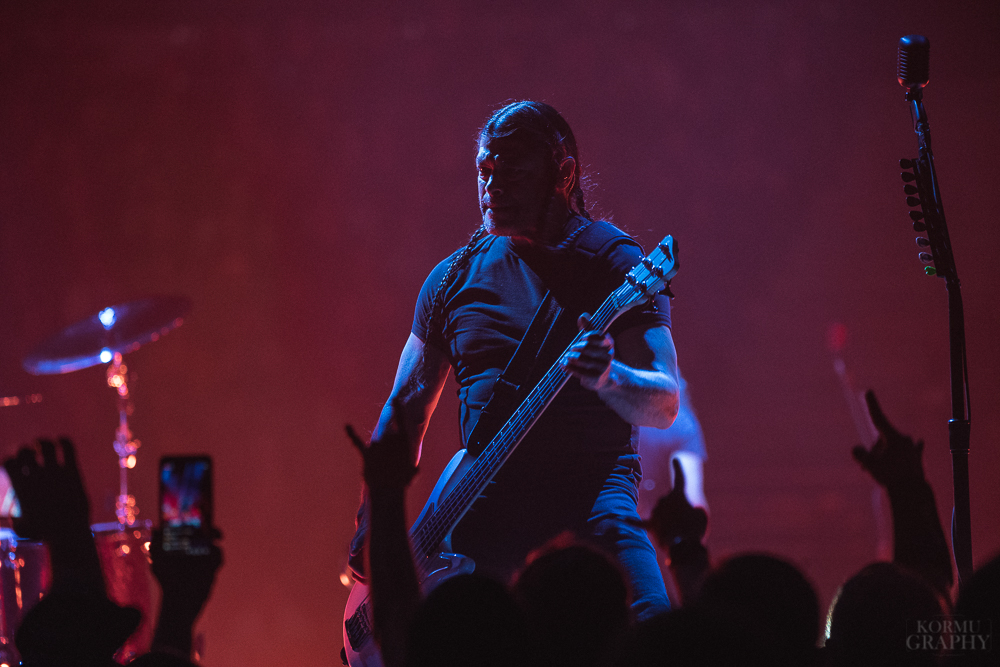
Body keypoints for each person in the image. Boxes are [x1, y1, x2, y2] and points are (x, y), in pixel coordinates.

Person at [349, 100, 680, 621]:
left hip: (592, 501)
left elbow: (663, 404)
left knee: (654, 634)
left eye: (514, 172)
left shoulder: (616, 263)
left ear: (563, 174)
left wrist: (609, 377)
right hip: (482, 512)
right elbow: (404, 411)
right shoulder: (451, 278)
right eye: (485, 171)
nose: (493, 186)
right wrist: (372, 521)